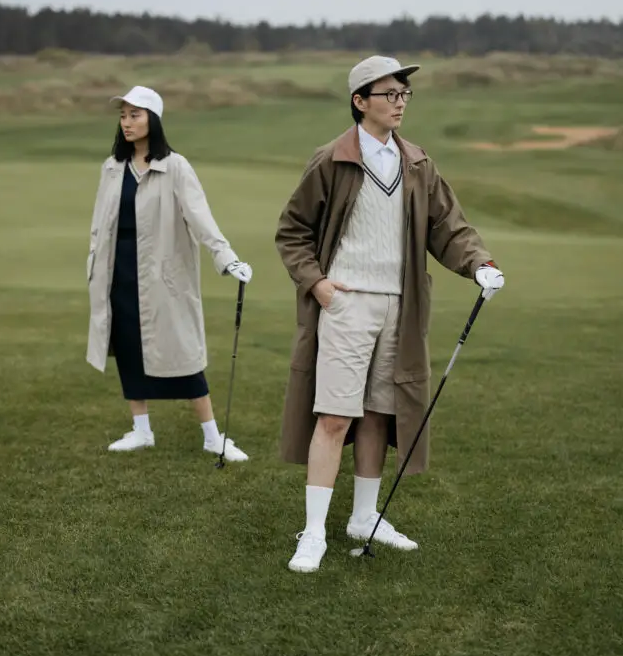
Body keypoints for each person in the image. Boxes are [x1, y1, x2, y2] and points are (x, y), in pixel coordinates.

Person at [274, 56, 505, 573]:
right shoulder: (331, 159)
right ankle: (312, 533)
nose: (399, 103)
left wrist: (480, 266)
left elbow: (449, 227)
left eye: (404, 94)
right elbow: (293, 232)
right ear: (360, 101)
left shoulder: (418, 162)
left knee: (380, 412)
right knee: (335, 416)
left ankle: (363, 517)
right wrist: (319, 285)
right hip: (346, 303)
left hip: (400, 308)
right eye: (389, 95)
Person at [86, 85, 252, 462]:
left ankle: (212, 436)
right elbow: (100, 224)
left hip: (163, 277)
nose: (127, 122)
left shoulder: (175, 166)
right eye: (123, 115)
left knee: (185, 354)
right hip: (118, 274)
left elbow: (200, 218)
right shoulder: (111, 168)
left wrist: (226, 258)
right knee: (129, 351)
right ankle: (141, 430)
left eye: (135, 115)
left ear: (153, 120)